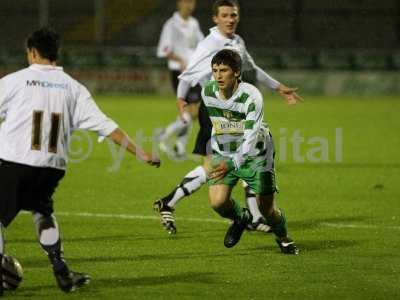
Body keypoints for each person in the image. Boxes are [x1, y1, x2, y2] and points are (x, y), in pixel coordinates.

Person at [0, 27, 160, 295]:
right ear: (55, 53)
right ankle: (61, 270)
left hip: (14, 161)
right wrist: (141, 152)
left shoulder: (15, 81)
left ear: (33, 52)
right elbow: (105, 126)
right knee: (42, 213)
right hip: (51, 167)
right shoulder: (74, 88)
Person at [154, 0, 301, 235]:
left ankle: (171, 202)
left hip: (234, 109)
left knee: (236, 158)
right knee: (227, 162)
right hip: (213, 109)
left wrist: (278, 87)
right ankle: (171, 202)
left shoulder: (237, 41)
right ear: (215, 18)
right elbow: (187, 74)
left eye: (233, 15)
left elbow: (252, 67)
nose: (230, 19)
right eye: (225, 15)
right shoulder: (209, 44)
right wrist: (181, 99)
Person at [205, 49, 298, 254]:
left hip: (257, 154)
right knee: (218, 203)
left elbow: (250, 136)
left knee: (267, 210)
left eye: (224, 70)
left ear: (237, 72)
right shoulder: (208, 92)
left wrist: (232, 163)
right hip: (225, 152)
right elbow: (218, 123)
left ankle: (283, 237)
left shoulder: (251, 96)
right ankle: (242, 218)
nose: (218, 75)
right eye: (215, 70)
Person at [156, 0, 204, 158]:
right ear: (179, 3)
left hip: (193, 72)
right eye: (187, 2)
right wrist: (180, 60)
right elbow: (164, 49)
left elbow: (202, 44)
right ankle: (171, 141)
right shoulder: (171, 24)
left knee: (194, 113)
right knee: (188, 111)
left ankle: (175, 143)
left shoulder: (194, 23)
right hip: (178, 71)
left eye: (192, 2)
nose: (190, 5)